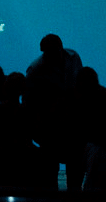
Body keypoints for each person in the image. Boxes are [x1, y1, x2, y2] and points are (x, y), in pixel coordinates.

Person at [24, 33, 83, 190]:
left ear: (60, 48)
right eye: (47, 53)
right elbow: (28, 103)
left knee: (76, 166)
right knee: (50, 171)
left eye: (53, 52)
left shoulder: (74, 57)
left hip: (73, 124)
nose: (50, 56)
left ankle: (74, 197)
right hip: (49, 126)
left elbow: (81, 85)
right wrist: (35, 131)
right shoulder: (35, 69)